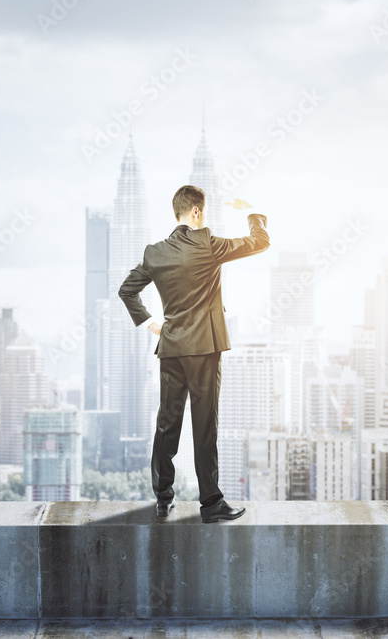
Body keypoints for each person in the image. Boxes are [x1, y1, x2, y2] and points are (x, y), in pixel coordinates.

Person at [118, 185, 269, 523]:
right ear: (196, 212)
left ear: (178, 212)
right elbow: (260, 242)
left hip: (171, 347)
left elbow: (126, 290)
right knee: (205, 425)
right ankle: (211, 504)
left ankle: (163, 498)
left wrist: (149, 323)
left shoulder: (155, 253)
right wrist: (252, 212)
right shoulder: (208, 245)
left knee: (167, 423)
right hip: (204, 348)